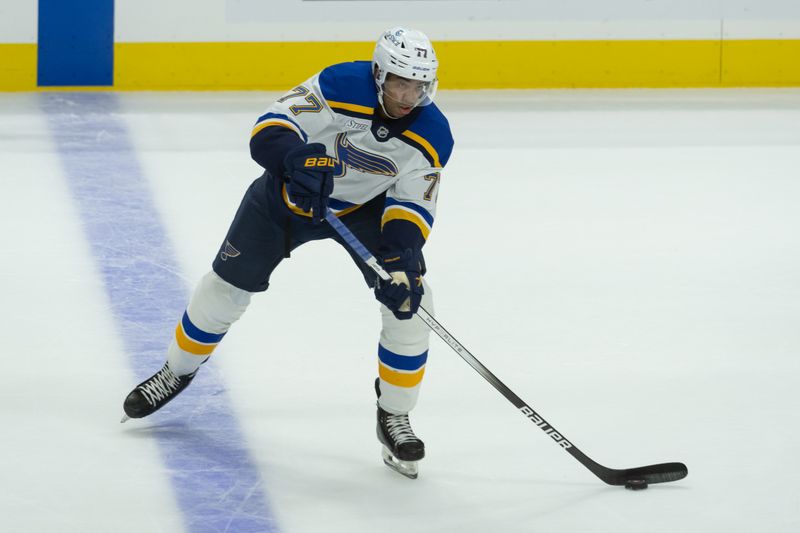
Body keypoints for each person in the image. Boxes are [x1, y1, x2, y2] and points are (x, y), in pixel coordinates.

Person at [122, 27, 454, 479]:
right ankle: (176, 371)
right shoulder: (340, 84)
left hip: (362, 212)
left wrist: (401, 259)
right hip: (283, 202)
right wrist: (296, 161)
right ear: (378, 74)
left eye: (419, 86)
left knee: (411, 305)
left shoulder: (433, 133)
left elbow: (412, 204)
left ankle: (393, 414)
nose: (409, 96)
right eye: (400, 83)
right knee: (225, 290)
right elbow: (270, 128)